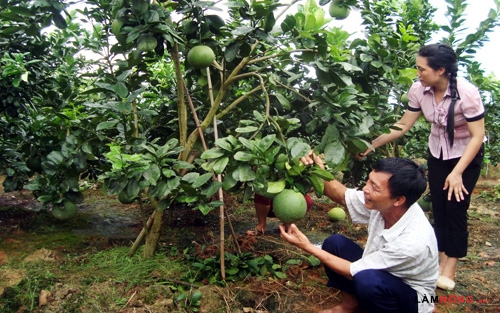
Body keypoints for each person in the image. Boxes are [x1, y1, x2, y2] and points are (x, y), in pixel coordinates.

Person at [359, 43, 485, 291]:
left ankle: (450, 266)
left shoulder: (467, 93)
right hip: (438, 152)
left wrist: (457, 172)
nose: (418, 73)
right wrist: (372, 145)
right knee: (438, 206)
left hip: (466, 154)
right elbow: (403, 125)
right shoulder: (419, 89)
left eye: (421, 69)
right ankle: (438, 260)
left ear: (440, 70)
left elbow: (477, 136)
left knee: (456, 207)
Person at [280, 155, 438, 313]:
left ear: (398, 200)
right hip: (382, 270)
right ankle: (351, 304)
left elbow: (352, 271)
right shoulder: (385, 203)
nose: (365, 189)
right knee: (335, 244)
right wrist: (317, 170)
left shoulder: (413, 240)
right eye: (369, 180)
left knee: (367, 280)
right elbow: (341, 195)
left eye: (374, 187)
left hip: (415, 296)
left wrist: (306, 246)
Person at [246, 192, 313, 236]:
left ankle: (288, 225)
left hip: (288, 203)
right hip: (272, 206)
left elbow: (312, 187)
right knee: (261, 192)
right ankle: (261, 225)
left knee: (307, 201)